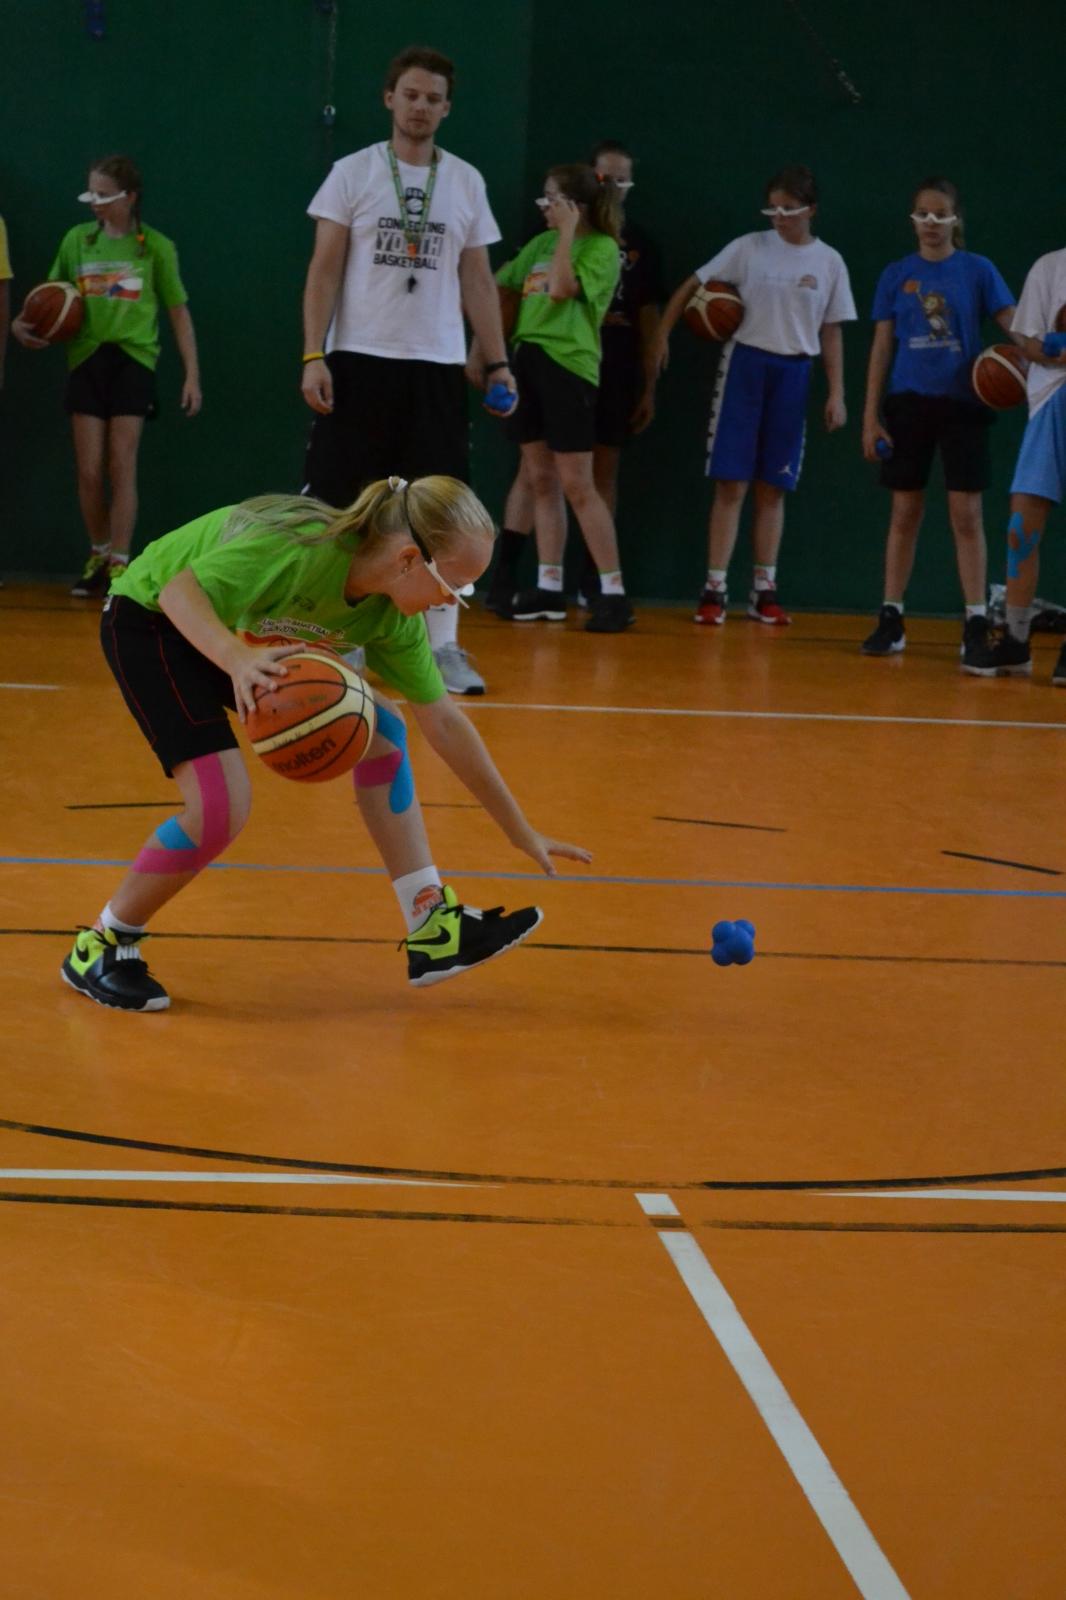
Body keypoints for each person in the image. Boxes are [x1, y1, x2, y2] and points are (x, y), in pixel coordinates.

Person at [60, 475, 590, 1012]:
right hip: (151, 618)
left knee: (384, 732)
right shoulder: (300, 547)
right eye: (452, 587)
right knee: (221, 806)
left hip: (235, 637)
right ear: (408, 560)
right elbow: (178, 591)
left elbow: (446, 723)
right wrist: (237, 660)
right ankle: (102, 944)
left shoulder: (391, 619)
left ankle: (432, 925)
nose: (450, 602)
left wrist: (519, 830)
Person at [299, 45, 515, 697]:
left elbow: (477, 279)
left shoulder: (466, 182)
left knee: (446, 510)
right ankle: (341, 638)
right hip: (359, 360)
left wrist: (497, 360)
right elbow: (324, 269)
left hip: (436, 367)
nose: (421, 107)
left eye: (433, 99)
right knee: (344, 506)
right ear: (390, 98)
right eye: (411, 95)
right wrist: (313, 353)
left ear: (447, 109)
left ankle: (442, 647)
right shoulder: (353, 172)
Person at [651, 164, 856, 625]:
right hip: (745, 366)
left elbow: (832, 331)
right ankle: (714, 587)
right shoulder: (748, 247)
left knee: (774, 487)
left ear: (811, 210)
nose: (779, 216)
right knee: (731, 483)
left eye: (790, 208)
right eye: (774, 208)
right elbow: (693, 283)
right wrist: (662, 333)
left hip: (794, 372)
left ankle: (765, 590)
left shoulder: (829, 262)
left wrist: (837, 392)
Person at [10, 156, 202, 598]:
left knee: (121, 465)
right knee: (90, 468)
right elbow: (49, 296)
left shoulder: (155, 247)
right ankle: (97, 552)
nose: (94, 202)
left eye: (103, 194)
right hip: (86, 360)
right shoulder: (77, 241)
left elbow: (179, 313)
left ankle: (120, 562)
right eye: (90, 194)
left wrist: (192, 375)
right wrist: (23, 324)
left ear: (129, 197)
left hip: (133, 361)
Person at [484, 140, 662, 615]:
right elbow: (498, 285)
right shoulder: (538, 245)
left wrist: (567, 234)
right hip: (529, 360)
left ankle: (613, 591)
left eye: (552, 200)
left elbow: (562, 289)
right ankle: (549, 586)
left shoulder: (603, 248)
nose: (543, 207)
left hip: (569, 367)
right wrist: (484, 352)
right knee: (541, 478)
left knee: (579, 485)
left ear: (574, 205)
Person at [860, 179, 1016, 666]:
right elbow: (881, 347)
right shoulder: (896, 274)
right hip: (908, 404)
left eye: (940, 214)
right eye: (922, 214)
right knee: (904, 513)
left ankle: (975, 621)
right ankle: (891, 616)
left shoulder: (978, 270)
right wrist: (870, 416)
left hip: (963, 404)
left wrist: (1042, 350)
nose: (931, 222)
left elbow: (1015, 325)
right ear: (913, 220)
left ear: (955, 219)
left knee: (966, 515)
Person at [961, 244, 1066, 681]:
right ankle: (1017, 640)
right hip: (1049, 401)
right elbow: (1027, 341)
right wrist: (1050, 349)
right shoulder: (1050, 267)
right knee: (1022, 525)